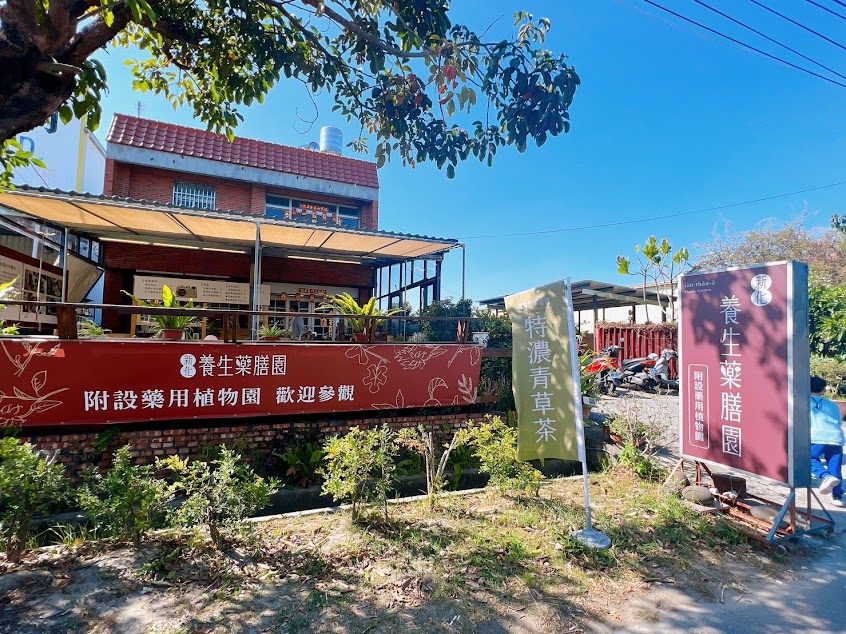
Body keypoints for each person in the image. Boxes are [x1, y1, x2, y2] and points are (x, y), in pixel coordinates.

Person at [810, 375, 845, 507]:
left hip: (817, 437)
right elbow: (839, 421)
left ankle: (824, 476)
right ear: (823, 390)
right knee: (835, 466)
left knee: (807, 458)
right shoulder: (832, 405)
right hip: (836, 437)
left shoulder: (804, 403)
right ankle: (837, 496)